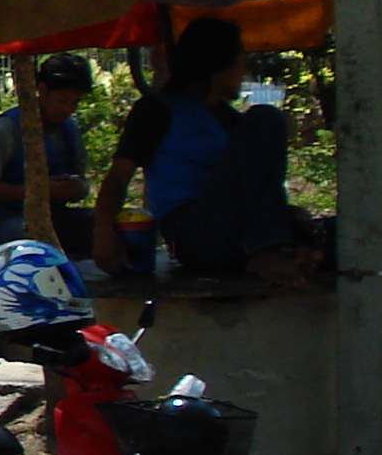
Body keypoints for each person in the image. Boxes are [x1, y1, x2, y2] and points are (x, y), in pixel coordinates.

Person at [93, 17, 326, 283]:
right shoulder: (157, 111)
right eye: (239, 62)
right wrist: (104, 232)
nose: (243, 71)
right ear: (219, 65)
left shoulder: (232, 121)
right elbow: (118, 177)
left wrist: (294, 218)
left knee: (331, 234)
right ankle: (265, 251)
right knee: (266, 117)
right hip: (195, 235)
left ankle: (287, 253)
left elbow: (256, 190)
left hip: (237, 234)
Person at [0, 54, 96, 253]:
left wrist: (77, 188)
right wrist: (39, 191)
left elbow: (81, 178)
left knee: (108, 226)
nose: (68, 109)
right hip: (8, 220)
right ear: (42, 90)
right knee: (33, 244)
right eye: (62, 100)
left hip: (55, 217)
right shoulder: (4, 130)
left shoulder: (68, 130)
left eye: (74, 102)